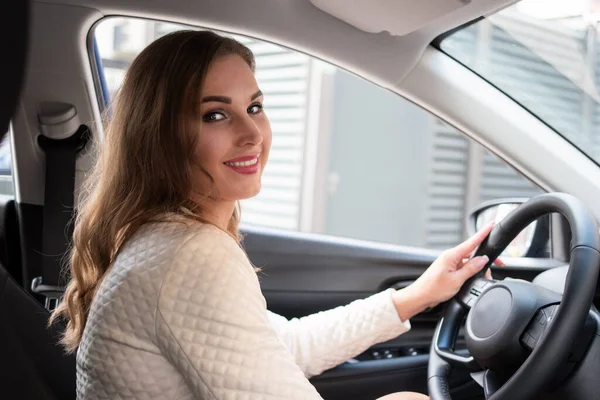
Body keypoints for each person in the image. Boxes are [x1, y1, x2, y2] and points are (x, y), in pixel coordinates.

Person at [50, 30, 499, 400]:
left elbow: (283, 347)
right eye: (215, 114)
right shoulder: (186, 254)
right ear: (159, 137)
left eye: (254, 108)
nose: (252, 133)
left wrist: (417, 295)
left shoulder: (160, 239)